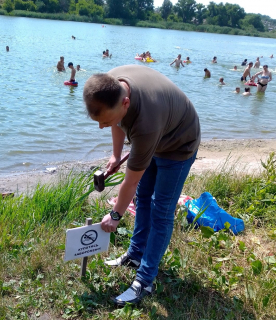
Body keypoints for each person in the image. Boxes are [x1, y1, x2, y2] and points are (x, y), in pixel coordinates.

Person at [83, 65, 200, 306]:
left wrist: (116, 215)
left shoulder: (145, 123)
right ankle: (135, 255)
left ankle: (145, 280)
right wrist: (116, 156)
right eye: (99, 122)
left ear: (126, 104)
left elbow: (130, 181)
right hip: (158, 134)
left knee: (162, 211)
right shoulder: (110, 85)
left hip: (179, 144)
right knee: (143, 198)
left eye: (106, 121)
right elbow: (116, 123)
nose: (102, 127)